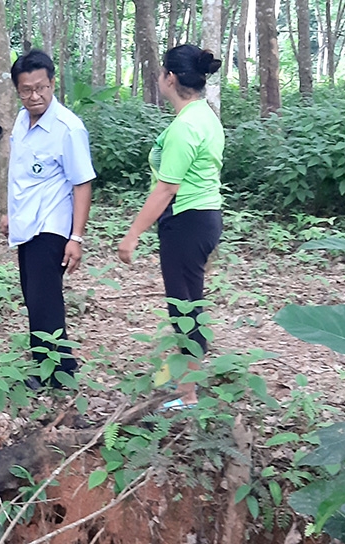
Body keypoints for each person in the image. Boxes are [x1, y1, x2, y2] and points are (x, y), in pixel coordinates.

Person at [117, 45, 225, 409]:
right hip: (205, 218)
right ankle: (183, 377)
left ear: (171, 78)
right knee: (190, 300)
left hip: (186, 221)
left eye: (162, 71)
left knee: (184, 306)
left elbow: (166, 188)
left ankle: (188, 394)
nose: (159, 77)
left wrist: (132, 235)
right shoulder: (205, 116)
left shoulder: (186, 126)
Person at [0, 50, 95, 390]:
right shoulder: (22, 122)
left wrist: (77, 237)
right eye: (26, 89)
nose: (34, 96)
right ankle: (56, 363)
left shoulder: (68, 128)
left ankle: (56, 373)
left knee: (45, 298)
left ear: (52, 84)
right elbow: (20, 174)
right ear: (17, 90)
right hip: (27, 224)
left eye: (41, 87)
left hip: (51, 226)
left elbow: (82, 182)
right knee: (34, 296)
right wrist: (9, 212)